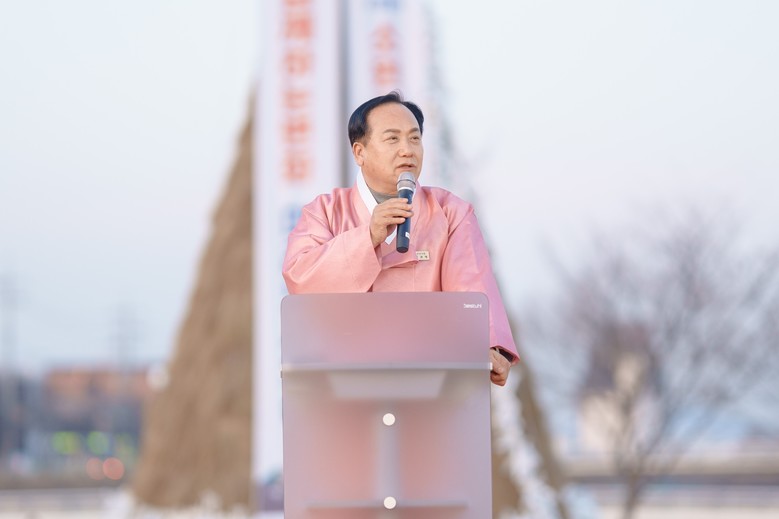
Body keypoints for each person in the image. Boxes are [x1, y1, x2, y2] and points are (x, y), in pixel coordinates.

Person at [282, 91, 518, 386]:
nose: (407, 150)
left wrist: (488, 345)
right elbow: (301, 280)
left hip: (431, 385)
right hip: (343, 384)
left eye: (415, 138)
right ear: (359, 152)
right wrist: (368, 237)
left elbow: (472, 291)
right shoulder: (324, 212)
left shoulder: (451, 212)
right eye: (393, 139)